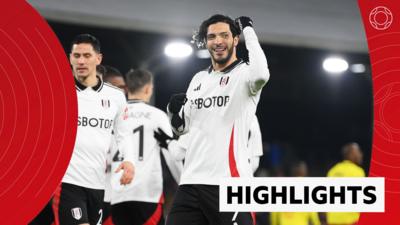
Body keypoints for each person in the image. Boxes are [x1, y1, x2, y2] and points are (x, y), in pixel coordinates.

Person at [165, 14, 270, 225]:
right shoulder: (198, 79)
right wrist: (172, 111)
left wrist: (248, 30)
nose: (218, 41)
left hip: (229, 184)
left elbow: (262, 75)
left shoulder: (245, 75)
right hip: (191, 182)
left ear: (235, 40)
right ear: (206, 41)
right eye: (212, 36)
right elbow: (181, 128)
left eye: (224, 35)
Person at [53, 34, 135, 225]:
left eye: (87, 56)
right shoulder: (57, 92)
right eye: (77, 55)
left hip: (97, 184)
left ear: (98, 59)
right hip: (67, 182)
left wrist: (129, 161)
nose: (81, 61)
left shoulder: (115, 96)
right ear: (70, 57)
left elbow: (124, 134)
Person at [110, 69, 183, 225]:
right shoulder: (157, 115)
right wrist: (183, 183)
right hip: (147, 193)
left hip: (116, 193)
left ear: (127, 88)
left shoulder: (115, 115)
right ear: (149, 88)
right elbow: (172, 156)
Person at [101, 65, 127, 225]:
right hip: (88, 192)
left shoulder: (127, 116)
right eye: (117, 87)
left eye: (123, 87)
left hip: (118, 198)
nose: (122, 92)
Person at [326, 143, 365, 225]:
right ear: (351, 154)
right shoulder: (358, 172)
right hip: (351, 220)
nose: (361, 154)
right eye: (358, 152)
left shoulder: (333, 171)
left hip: (333, 220)